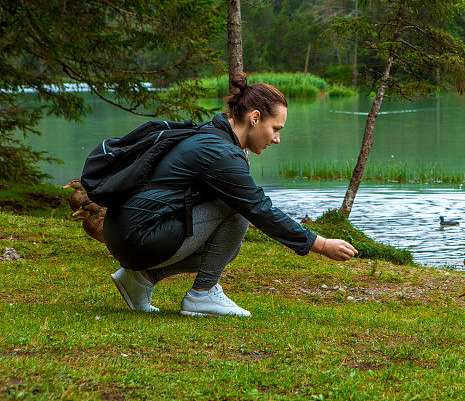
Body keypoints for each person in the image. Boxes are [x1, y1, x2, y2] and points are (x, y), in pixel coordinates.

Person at [104, 73, 357, 317]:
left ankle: (141, 279)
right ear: (255, 118)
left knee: (227, 247)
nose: (277, 139)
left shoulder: (213, 134)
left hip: (124, 232)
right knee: (238, 208)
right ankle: (202, 295)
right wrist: (321, 245)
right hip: (138, 236)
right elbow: (259, 208)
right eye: (276, 129)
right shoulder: (221, 152)